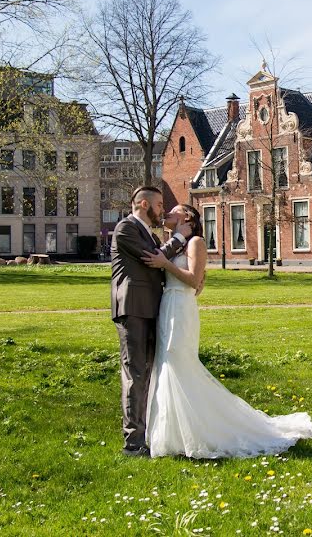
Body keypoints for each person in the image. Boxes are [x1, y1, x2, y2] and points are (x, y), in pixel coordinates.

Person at [141, 204, 312, 458]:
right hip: (168, 304)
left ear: (188, 218)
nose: (168, 213)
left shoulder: (196, 243)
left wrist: (166, 265)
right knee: (167, 362)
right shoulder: (175, 242)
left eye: (174, 210)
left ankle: (198, 431)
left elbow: (193, 279)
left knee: (178, 361)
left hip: (181, 306)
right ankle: (172, 433)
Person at [111, 186, 192, 457]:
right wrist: (180, 236)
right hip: (133, 308)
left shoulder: (148, 233)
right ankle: (133, 444)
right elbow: (152, 260)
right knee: (135, 373)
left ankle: (149, 433)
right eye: (159, 206)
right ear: (144, 204)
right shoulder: (126, 228)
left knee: (148, 372)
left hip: (152, 309)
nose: (162, 212)